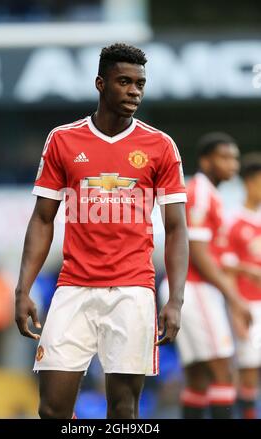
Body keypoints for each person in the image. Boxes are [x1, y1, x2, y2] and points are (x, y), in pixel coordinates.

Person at [15, 43, 188, 419]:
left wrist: (174, 299)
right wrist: (23, 288)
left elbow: (176, 229)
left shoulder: (159, 146)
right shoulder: (63, 139)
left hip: (133, 291)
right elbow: (43, 218)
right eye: (124, 81)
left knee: (123, 410)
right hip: (73, 288)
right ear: (100, 84)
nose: (134, 91)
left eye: (140, 83)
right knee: (52, 410)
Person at [160, 132, 252, 419]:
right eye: (224, 157)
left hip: (194, 288)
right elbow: (197, 252)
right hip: (194, 288)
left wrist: (243, 270)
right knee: (224, 372)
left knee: (198, 377)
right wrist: (234, 296)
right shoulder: (199, 189)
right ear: (205, 160)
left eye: (235, 158)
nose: (232, 165)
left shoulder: (213, 194)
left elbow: (213, 252)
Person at [222, 153, 261, 419]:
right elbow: (226, 270)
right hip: (249, 306)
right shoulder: (234, 222)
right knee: (248, 370)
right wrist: (235, 311)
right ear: (249, 182)